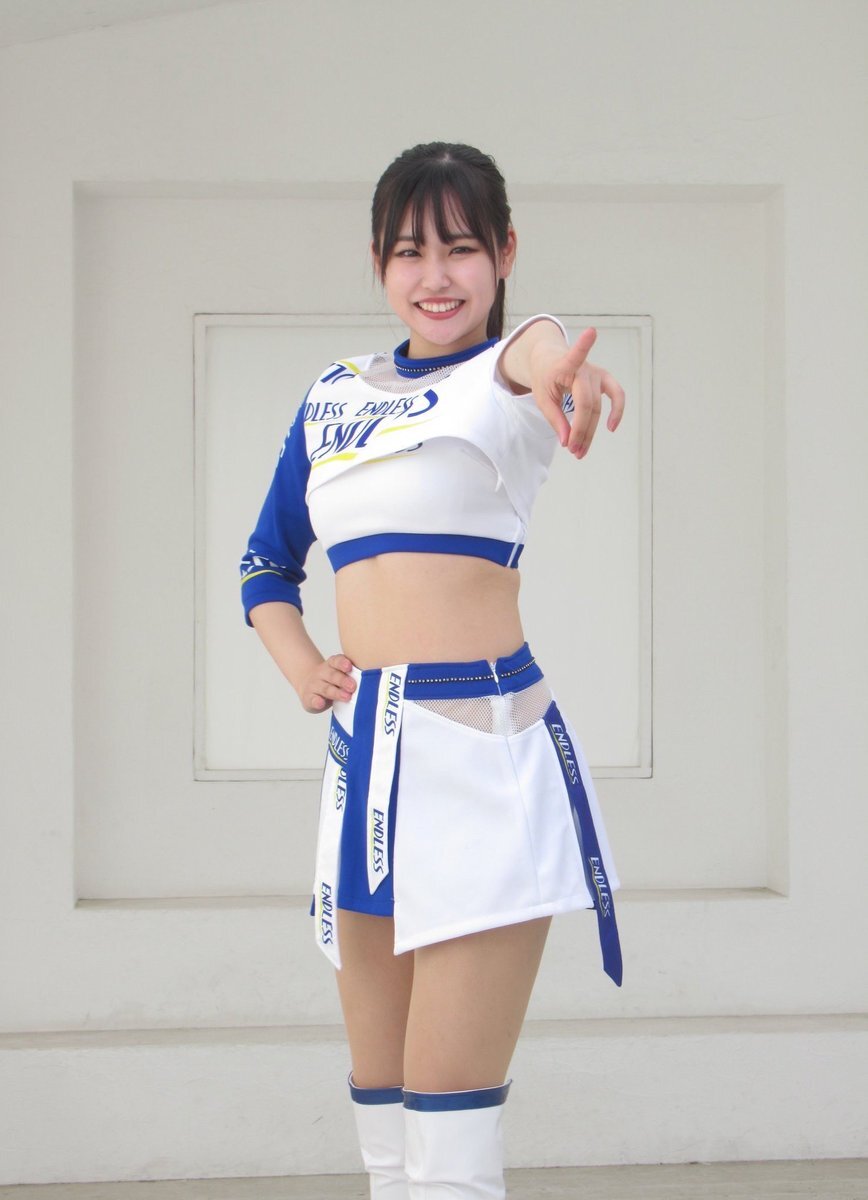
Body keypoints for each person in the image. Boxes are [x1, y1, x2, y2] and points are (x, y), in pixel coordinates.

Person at [239, 142, 625, 1200]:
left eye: (461, 247)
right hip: (366, 760)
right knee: (384, 1110)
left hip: (481, 758)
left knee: (449, 1124)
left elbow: (533, 351)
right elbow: (266, 563)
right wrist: (302, 666)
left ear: (505, 253)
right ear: (379, 263)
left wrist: (561, 364)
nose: (436, 275)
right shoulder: (332, 395)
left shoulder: (507, 383)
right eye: (410, 251)